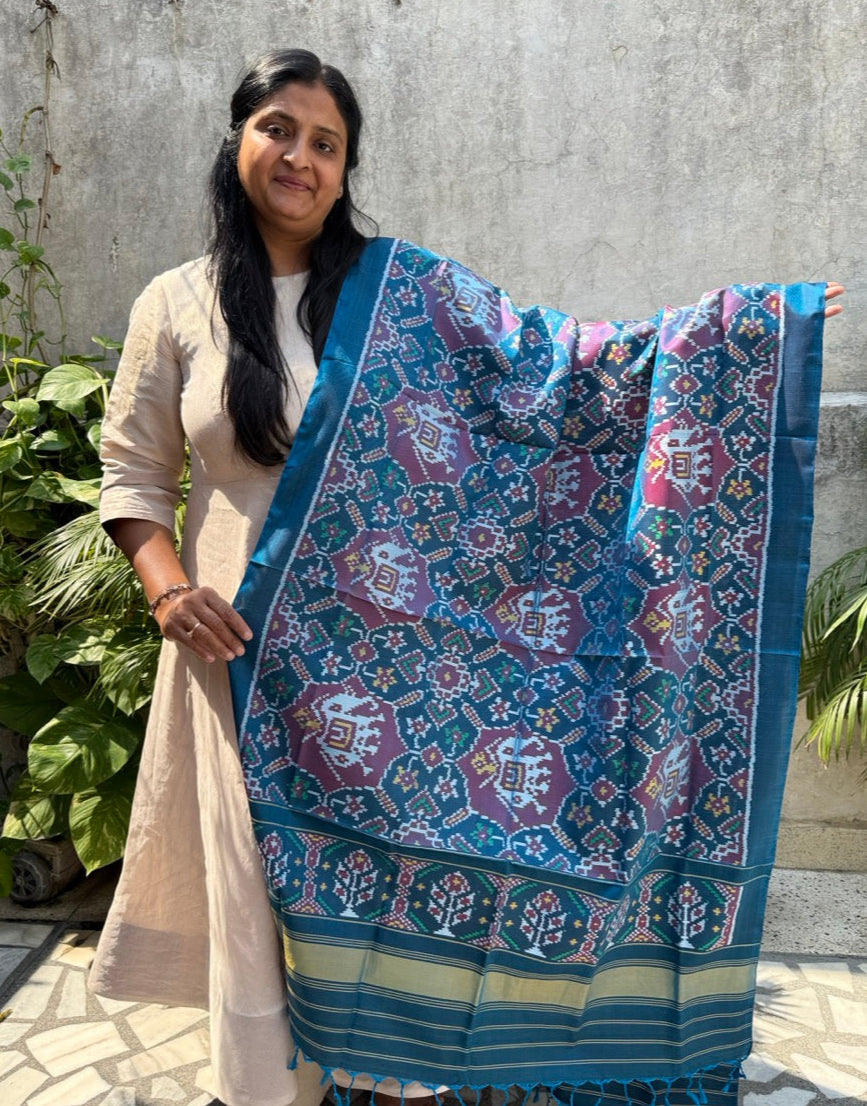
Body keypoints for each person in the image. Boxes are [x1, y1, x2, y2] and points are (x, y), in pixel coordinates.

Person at [89, 47, 844, 1106]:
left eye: (327, 142)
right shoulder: (177, 302)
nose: (300, 157)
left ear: (347, 168)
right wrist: (168, 589)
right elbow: (133, 476)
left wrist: (737, 334)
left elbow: (553, 366)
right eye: (279, 129)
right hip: (237, 658)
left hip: (385, 681)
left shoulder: (402, 291)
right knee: (257, 907)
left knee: (375, 907)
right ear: (237, 138)